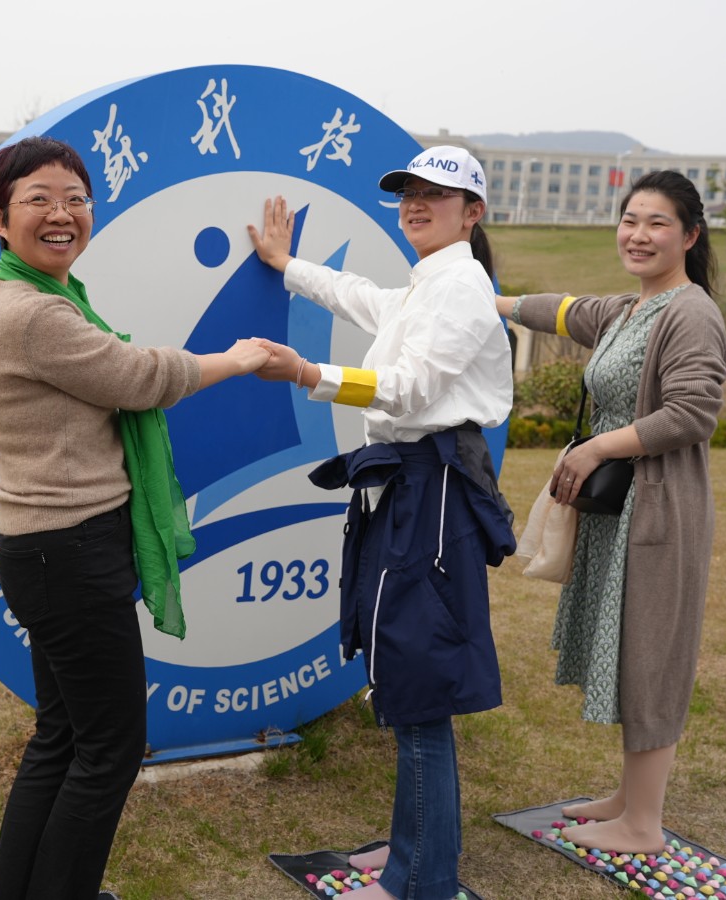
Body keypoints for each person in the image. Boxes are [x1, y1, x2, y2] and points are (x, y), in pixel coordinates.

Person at [0, 135, 269, 900]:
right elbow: (139, 378)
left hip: (47, 552)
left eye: (76, 198)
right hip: (66, 555)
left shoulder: (39, 299)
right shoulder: (34, 314)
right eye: (38, 199)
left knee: (64, 737)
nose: (61, 213)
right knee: (110, 749)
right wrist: (237, 358)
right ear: (0, 220)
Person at [247, 145, 516, 900]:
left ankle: (424, 880)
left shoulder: (460, 286)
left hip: (431, 493)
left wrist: (309, 374)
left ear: (473, 212)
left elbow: (408, 388)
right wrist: (287, 265)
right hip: (411, 489)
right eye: (408, 193)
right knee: (406, 675)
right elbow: (358, 295)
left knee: (418, 685)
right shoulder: (428, 284)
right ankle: (413, 861)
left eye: (436, 193)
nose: (416, 204)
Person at [498, 170, 726, 854]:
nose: (639, 234)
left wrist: (597, 446)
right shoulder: (630, 309)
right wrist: (490, 299)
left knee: (651, 654)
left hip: (658, 513)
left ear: (690, 236)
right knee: (629, 647)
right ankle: (630, 798)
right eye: (630, 220)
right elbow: (565, 311)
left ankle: (642, 824)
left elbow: (692, 413)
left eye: (658, 223)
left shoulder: (690, 313)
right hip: (621, 510)